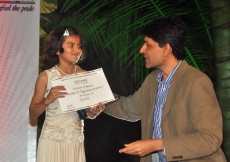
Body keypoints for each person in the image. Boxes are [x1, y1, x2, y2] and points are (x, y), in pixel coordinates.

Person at [103, 17, 227, 162]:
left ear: (166, 49)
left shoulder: (197, 82)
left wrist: (158, 145)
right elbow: (127, 108)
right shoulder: (152, 80)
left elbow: (210, 139)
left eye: (148, 45)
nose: (142, 50)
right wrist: (96, 98)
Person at [29, 26, 105, 162]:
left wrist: (92, 113)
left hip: (75, 141)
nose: (77, 50)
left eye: (79, 46)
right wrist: (47, 100)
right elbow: (32, 113)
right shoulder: (46, 77)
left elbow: (83, 113)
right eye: (71, 45)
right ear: (58, 49)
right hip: (52, 142)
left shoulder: (85, 76)